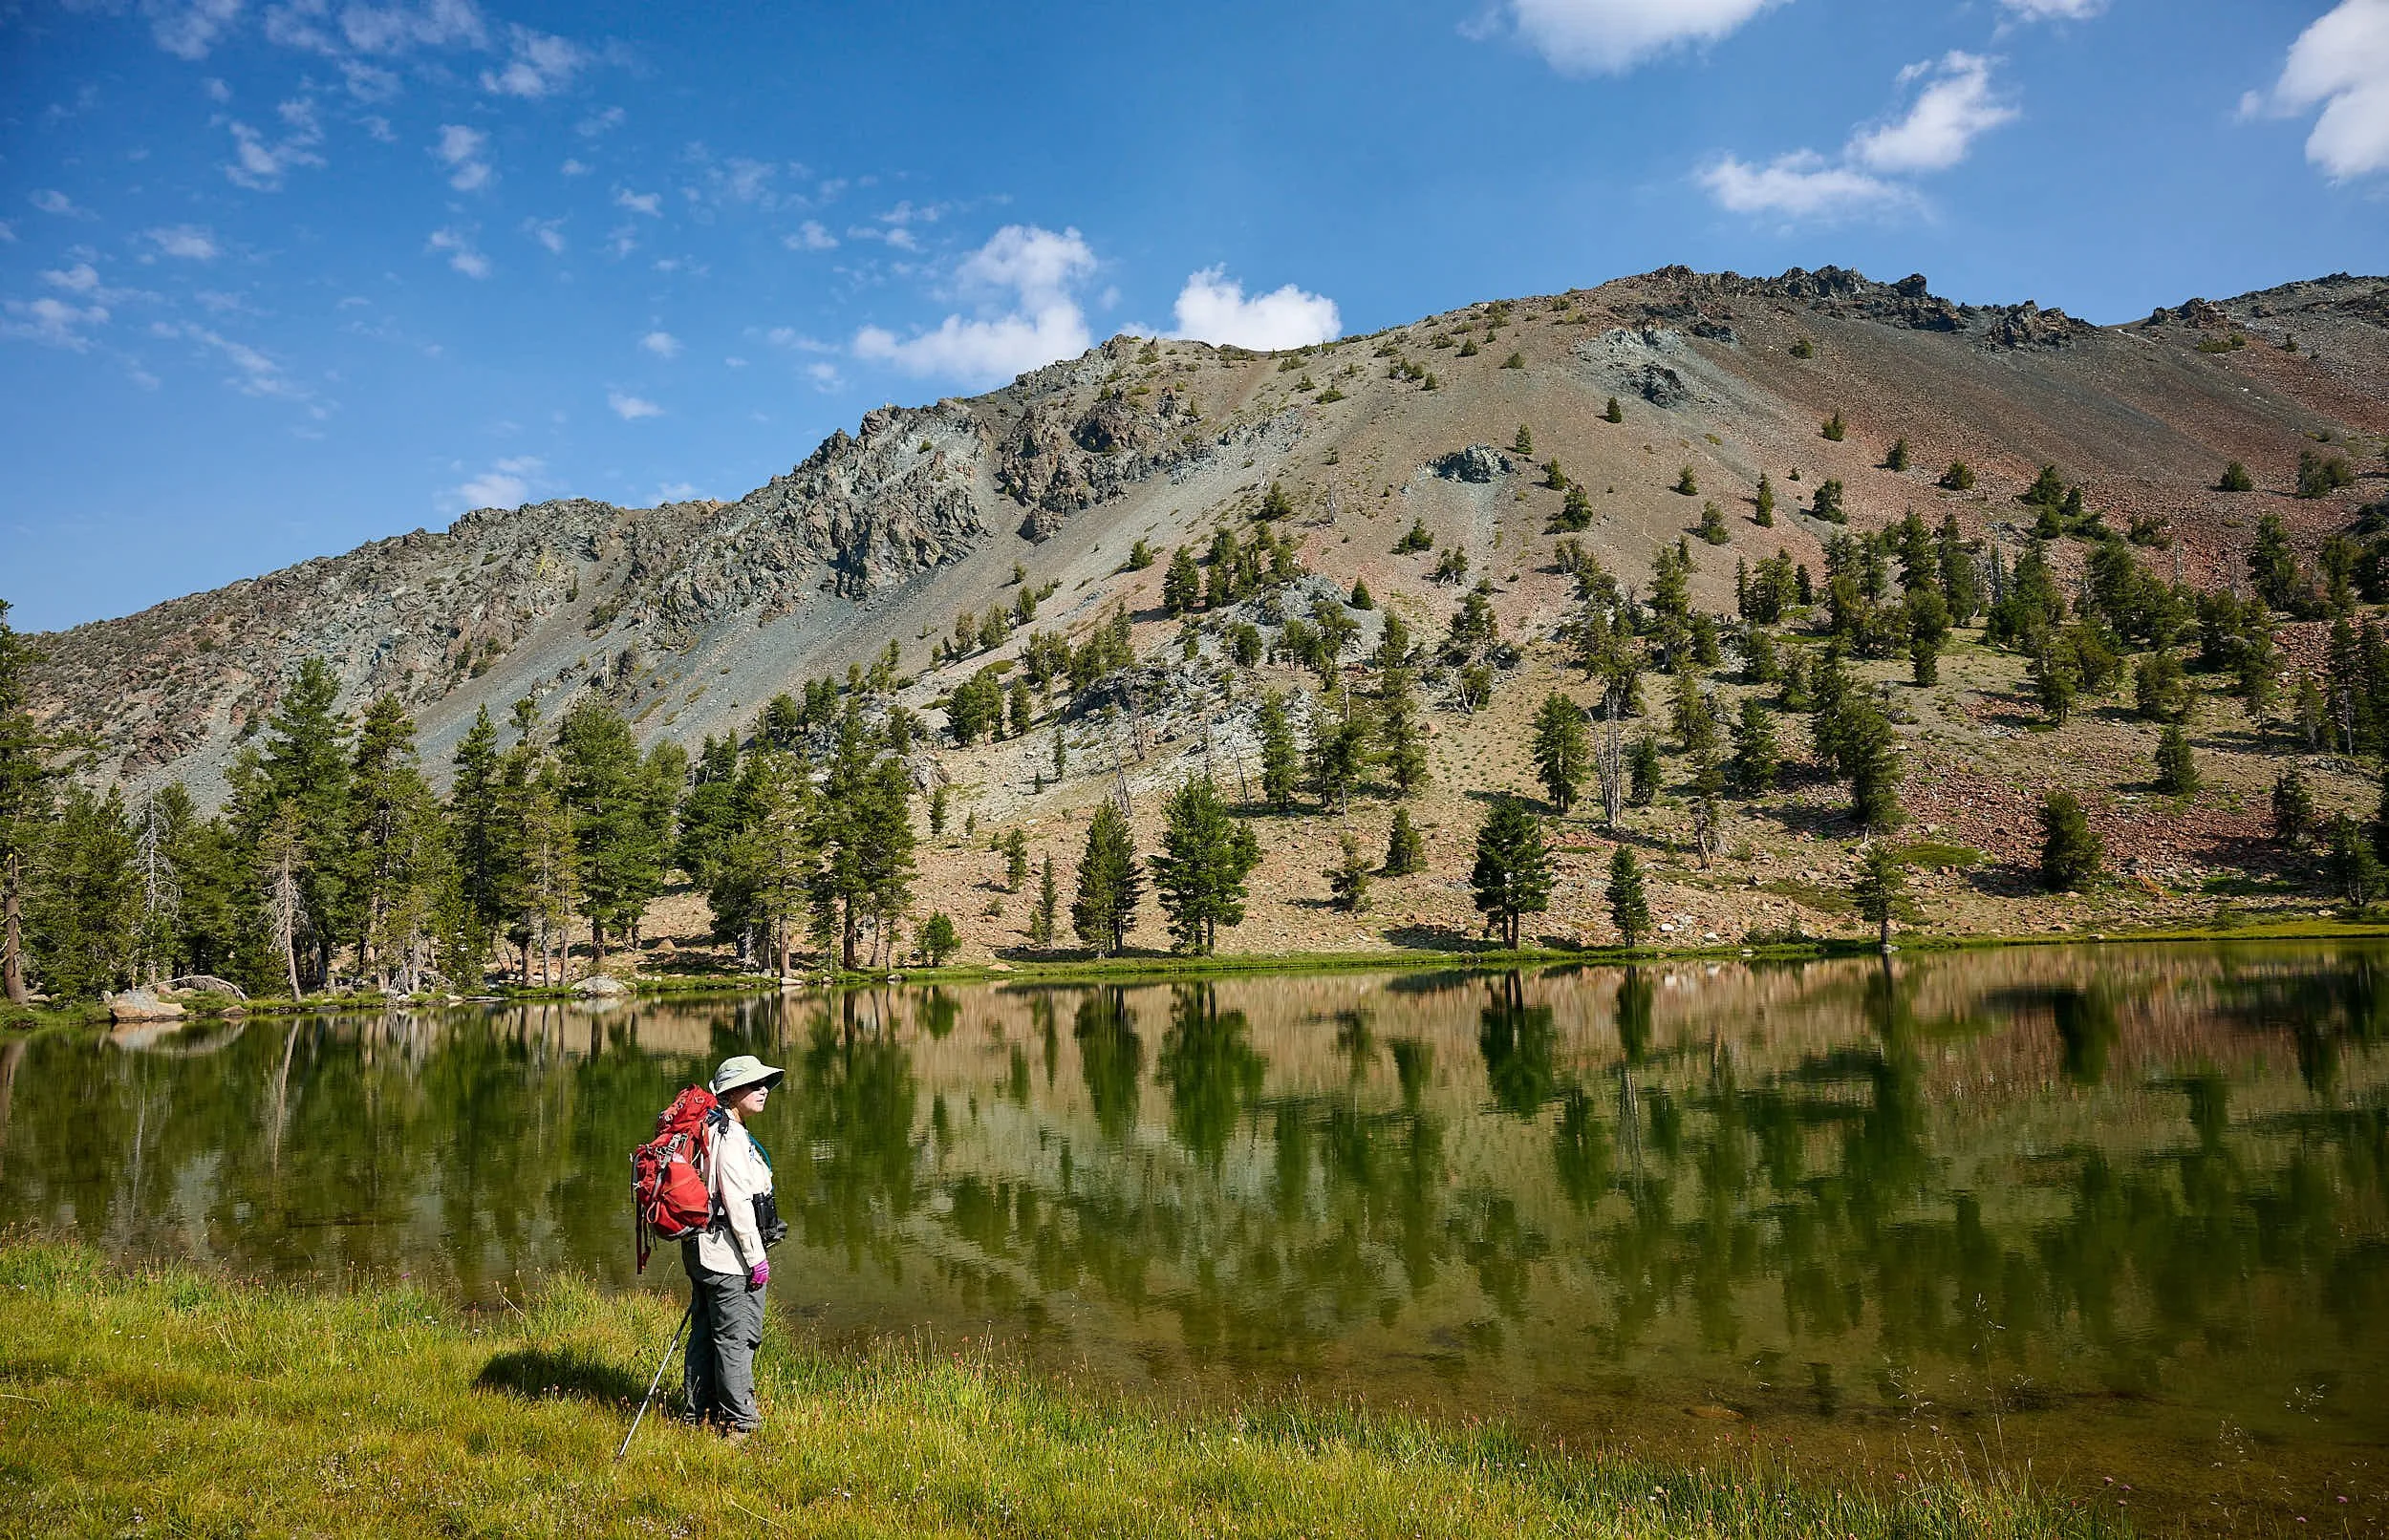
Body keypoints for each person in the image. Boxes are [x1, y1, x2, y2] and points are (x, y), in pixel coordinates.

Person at [682, 1053, 784, 1443]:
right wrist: (757, 1258)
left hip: (704, 1251)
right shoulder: (728, 1137)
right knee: (736, 1338)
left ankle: (697, 1414)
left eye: (765, 1084)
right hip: (727, 1255)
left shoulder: (711, 1128)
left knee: (706, 1333)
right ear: (730, 1092)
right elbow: (738, 1203)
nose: (763, 1090)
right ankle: (741, 1426)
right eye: (754, 1084)